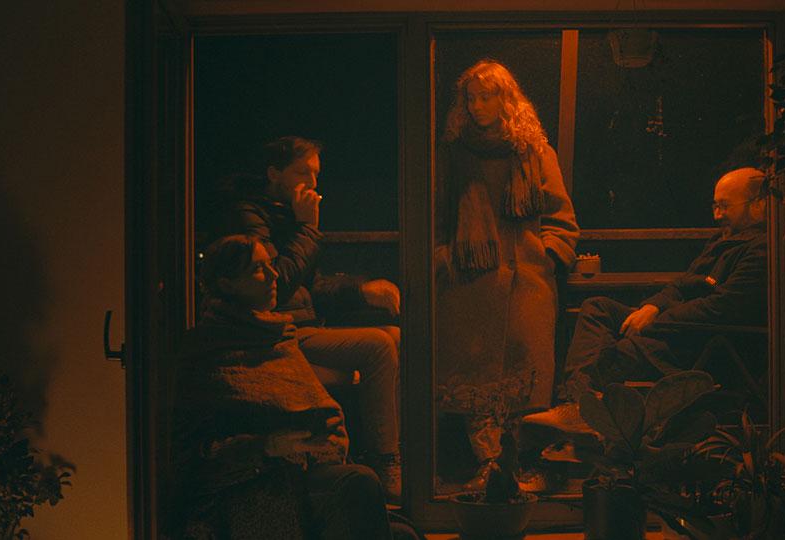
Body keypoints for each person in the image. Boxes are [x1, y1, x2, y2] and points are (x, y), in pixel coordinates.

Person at [173, 234, 406, 539]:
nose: (274, 275)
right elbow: (192, 457)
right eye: (258, 269)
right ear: (227, 284)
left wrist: (322, 437)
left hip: (301, 470)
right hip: (249, 486)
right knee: (358, 482)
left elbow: (312, 402)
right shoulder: (208, 351)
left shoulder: (278, 336)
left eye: (271, 264)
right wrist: (267, 446)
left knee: (402, 533)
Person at [210, 137, 402, 500]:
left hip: (303, 325)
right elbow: (276, 283)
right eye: (302, 173)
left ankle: (389, 449)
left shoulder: (284, 215)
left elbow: (310, 287)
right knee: (378, 346)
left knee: (395, 335)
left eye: (316, 174)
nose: (312, 184)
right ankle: (385, 461)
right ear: (274, 174)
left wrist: (361, 290)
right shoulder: (249, 216)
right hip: (274, 333)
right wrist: (308, 229)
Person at [524, 167, 768, 431]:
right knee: (597, 308)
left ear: (758, 204)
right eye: (715, 206)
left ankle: (578, 408)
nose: (717, 215)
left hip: (698, 343)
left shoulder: (760, 249)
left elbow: (722, 308)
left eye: (725, 206)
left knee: (606, 354)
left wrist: (656, 321)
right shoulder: (722, 241)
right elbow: (681, 286)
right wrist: (652, 307)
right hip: (677, 328)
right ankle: (581, 407)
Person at [434, 59, 579, 487]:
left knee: (525, 373)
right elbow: (436, 214)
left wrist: (549, 255)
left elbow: (561, 216)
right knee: (474, 375)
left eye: (486, 97)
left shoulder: (534, 152)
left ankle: (518, 464)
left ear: (505, 99)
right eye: (471, 98)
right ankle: (489, 466)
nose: (477, 106)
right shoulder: (452, 154)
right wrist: (442, 257)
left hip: (526, 281)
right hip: (469, 282)